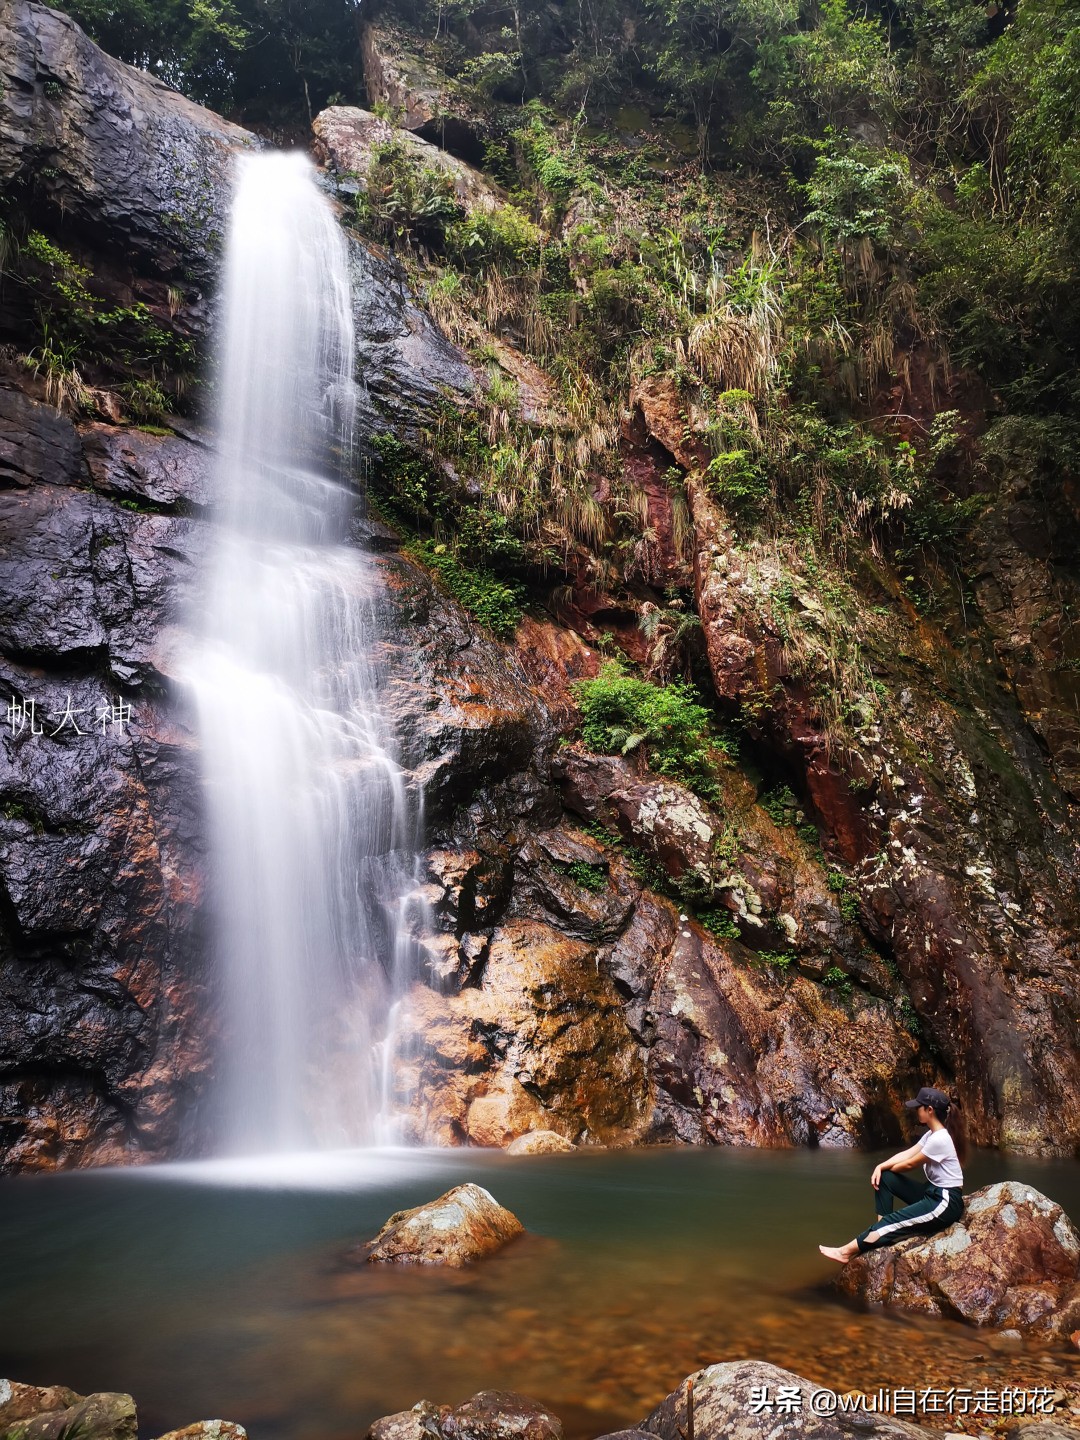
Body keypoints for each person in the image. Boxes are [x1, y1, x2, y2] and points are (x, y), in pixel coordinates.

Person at [819, 1086, 967, 1264]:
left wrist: (887, 1167)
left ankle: (845, 1252)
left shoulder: (940, 1139)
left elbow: (910, 1163)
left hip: (945, 1202)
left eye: (918, 1107)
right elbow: (907, 1153)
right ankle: (883, 1233)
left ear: (930, 1110)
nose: (915, 1111)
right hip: (933, 1192)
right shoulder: (931, 1135)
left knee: (893, 1219)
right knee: (886, 1178)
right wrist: (881, 1166)